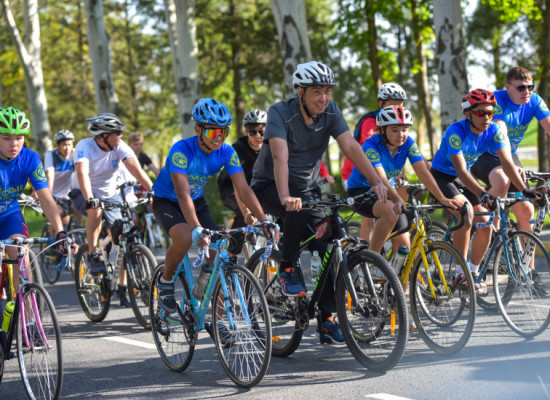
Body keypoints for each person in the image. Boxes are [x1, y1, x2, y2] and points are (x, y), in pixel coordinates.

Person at [251, 61, 388, 344]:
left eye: (327, 91)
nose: (323, 98)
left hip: (307, 189)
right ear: (301, 92)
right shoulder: (280, 113)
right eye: (316, 91)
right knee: (296, 210)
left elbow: (350, 146)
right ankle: (287, 267)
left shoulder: (331, 111)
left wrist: (376, 181)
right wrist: (285, 196)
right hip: (270, 186)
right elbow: (279, 157)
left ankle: (327, 320)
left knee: (327, 245)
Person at [152, 98, 274, 318]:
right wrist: (196, 227)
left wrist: (263, 220)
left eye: (223, 132)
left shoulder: (227, 151)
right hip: (167, 201)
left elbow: (243, 189)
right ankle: (165, 282)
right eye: (212, 132)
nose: (218, 137)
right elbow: (182, 194)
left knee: (218, 248)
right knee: (185, 238)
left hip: (196, 201)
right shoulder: (181, 150)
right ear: (198, 129)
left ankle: (212, 302)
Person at [430, 89, 536, 293]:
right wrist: (482, 192)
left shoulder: (494, 129)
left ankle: (472, 272)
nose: (487, 117)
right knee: (465, 213)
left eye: (490, 112)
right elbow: (461, 170)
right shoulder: (455, 132)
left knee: (486, 223)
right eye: (480, 113)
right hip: (442, 177)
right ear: (468, 114)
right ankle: (459, 273)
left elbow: (507, 163)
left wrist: (525, 190)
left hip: (463, 180)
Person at [346, 105, 460, 255]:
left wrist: (442, 198)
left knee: (404, 247)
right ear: (382, 130)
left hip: (387, 193)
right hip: (361, 191)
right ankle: (371, 261)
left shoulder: (408, 143)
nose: (401, 135)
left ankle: (396, 270)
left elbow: (423, 172)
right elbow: (381, 177)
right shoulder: (371, 145)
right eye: (395, 130)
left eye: (405, 129)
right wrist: (398, 199)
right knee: (390, 212)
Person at [69, 113, 153, 306]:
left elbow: (136, 169)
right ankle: (92, 253)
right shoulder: (84, 146)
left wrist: (152, 189)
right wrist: (90, 199)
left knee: (123, 236)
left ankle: (121, 285)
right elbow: (82, 174)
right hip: (82, 191)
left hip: (110, 193)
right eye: (117, 133)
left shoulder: (119, 146)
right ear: (104, 136)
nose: (121, 136)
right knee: (96, 211)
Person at [471, 67, 550, 235]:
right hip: (482, 153)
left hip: (509, 153)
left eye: (530, 87)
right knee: (502, 180)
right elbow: (502, 134)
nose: (526, 92)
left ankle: (524, 254)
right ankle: (486, 227)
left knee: (526, 210)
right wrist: (511, 166)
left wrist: (511, 165)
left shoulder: (534, 101)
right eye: (521, 87)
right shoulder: (496, 99)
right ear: (507, 87)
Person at [0, 107, 68, 287]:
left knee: (21, 253)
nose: (14, 144)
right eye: (6, 138)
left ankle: (24, 300)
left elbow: (46, 199)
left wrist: (60, 231)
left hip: (9, 215)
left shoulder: (30, 159)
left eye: (19, 137)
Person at [341, 83, 407, 243]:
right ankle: (366, 255)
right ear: (381, 104)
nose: (397, 108)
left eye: (400, 104)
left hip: (380, 175)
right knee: (369, 218)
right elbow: (373, 147)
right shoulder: (371, 122)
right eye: (392, 104)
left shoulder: (398, 124)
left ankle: (394, 248)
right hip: (355, 175)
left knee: (397, 211)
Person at [217, 109, 267, 257]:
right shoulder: (238, 149)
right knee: (242, 213)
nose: (258, 136)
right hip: (230, 187)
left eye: (261, 132)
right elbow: (238, 188)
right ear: (246, 131)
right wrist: (246, 213)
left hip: (253, 186)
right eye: (252, 132)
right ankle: (232, 255)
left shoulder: (270, 146)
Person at [44, 129, 83, 230]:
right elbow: (50, 176)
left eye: (70, 144)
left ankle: (78, 234)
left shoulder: (74, 154)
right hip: (53, 193)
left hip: (67, 194)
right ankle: (53, 239)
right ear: (57, 146)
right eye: (64, 145)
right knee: (57, 215)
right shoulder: (50, 156)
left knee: (78, 210)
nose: (68, 148)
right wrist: (49, 198)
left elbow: (82, 173)